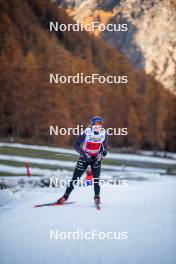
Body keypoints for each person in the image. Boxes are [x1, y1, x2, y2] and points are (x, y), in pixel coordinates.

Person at [57, 116, 108, 206]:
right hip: (85, 158)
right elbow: (76, 144)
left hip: (96, 159)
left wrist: (102, 154)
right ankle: (65, 197)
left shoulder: (103, 134)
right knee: (74, 179)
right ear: (92, 124)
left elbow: (103, 148)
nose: (99, 126)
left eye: (100, 124)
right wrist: (83, 153)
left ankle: (97, 197)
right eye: (97, 124)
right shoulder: (86, 133)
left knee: (96, 179)